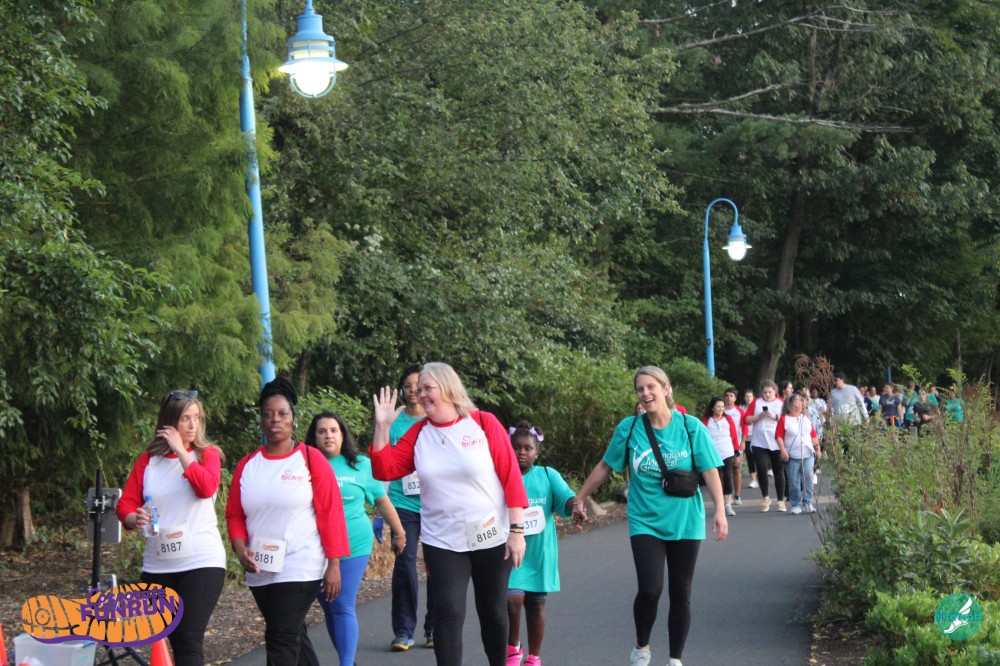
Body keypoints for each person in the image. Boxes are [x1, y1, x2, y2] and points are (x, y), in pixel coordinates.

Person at [370, 362, 528, 666]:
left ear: (448, 387)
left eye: (428, 388)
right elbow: (384, 469)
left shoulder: (482, 422)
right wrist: (382, 427)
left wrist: (517, 531)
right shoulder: (419, 433)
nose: (421, 394)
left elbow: (510, 477)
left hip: (491, 535)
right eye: (418, 389)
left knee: (493, 613)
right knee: (449, 612)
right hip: (442, 540)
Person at [573, 366, 727, 666]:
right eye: (640, 389)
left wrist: (720, 511)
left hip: (685, 520)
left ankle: (675, 659)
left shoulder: (691, 427)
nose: (645, 393)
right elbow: (606, 465)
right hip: (645, 520)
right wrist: (580, 496)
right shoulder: (629, 428)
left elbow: (710, 470)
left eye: (651, 387)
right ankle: (642, 648)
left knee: (681, 593)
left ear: (666, 389)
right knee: (650, 589)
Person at [226, 377, 350, 666]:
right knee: (292, 633)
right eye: (268, 414)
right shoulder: (248, 464)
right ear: (261, 420)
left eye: (282, 413)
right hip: (261, 566)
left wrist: (334, 565)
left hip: (301, 563)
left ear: (293, 419)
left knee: (280, 637)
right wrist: (239, 547)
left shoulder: (310, 458)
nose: (275, 420)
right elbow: (234, 514)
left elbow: (330, 513)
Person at [117, 390, 226, 666]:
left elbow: (205, 488)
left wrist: (180, 451)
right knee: (174, 640)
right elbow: (125, 505)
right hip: (159, 564)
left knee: (189, 640)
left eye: (196, 418)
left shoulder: (207, 454)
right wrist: (135, 518)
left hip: (201, 560)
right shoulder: (148, 461)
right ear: (169, 422)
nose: (192, 425)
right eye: (185, 418)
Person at [306, 411, 406, 665]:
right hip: (315, 545)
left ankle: (346, 663)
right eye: (322, 431)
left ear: (342, 435)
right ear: (314, 437)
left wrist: (399, 531)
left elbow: (382, 501)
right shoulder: (304, 464)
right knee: (328, 605)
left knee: (341, 602)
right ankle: (347, 659)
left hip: (354, 542)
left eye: (333, 430)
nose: (328, 436)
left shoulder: (360, 464)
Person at [505, 421, 576, 666]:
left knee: (535, 607)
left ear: (537, 452)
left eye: (527, 448)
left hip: (539, 553)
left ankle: (534, 656)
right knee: (512, 600)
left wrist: (575, 506)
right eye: (516, 447)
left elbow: (566, 498)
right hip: (511, 551)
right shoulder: (501, 475)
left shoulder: (547, 475)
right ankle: (513, 647)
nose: (521, 452)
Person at [387, 364, 436, 651]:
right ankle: (404, 630)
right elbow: (382, 466)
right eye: (408, 386)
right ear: (402, 391)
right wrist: (381, 512)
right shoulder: (394, 422)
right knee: (404, 564)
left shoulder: (436, 419)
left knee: (437, 565)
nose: (414, 390)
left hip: (434, 504)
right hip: (401, 503)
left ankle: (435, 627)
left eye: (419, 385)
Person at [776, 393, 821, 514]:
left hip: (808, 453)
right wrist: (782, 450)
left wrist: (817, 448)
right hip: (792, 455)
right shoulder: (784, 419)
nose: (799, 406)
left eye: (800, 403)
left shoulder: (805, 417)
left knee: (808, 477)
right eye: (796, 403)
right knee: (794, 480)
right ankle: (795, 504)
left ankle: (808, 502)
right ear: (789, 405)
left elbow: (813, 434)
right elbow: (779, 436)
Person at [745, 380, 785, 512]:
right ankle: (766, 497)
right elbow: (746, 419)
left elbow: (787, 419)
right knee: (761, 469)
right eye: (765, 392)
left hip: (776, 442)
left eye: (770, 392)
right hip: (759, 442)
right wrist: (758, 417)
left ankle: (780, 501)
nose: (767, 395)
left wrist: (775, 416)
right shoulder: (756, 402)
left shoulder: (781, 403)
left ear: (775, 392)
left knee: (778, 471)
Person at [702, 397, 739, 517]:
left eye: (723, 407)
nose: (721, 409)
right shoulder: (706, 420)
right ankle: (718, 504)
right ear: (712, 408)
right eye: (718, 406)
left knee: (727, 476)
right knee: (715, 479)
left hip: (727, 452)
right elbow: (701, 437)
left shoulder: (728, 419)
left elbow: (734, 436)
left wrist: (737, 452)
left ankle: (727, 503)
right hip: (712, 453)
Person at [723, 388, 746, 505]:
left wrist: (743, 441)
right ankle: (726, 495)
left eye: (731, 395)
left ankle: (737, 495)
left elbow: (744, 427)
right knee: (724, 471)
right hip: (723, 444)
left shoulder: (739, 411)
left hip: (736, 444)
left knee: (736, 468)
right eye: (727, 395)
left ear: (735, 398)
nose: (729, 398)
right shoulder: (720, 410)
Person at [741, 388, 759, 490]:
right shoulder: (741, 408)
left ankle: (761, 476)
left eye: (750, 396)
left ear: (753, 397)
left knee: (759, 458)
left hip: (757, 436)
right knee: (750, 458)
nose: (748, 398)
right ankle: (753, 479)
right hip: (747, 436)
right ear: (744, 398)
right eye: (747, 396)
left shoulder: (757, 408)